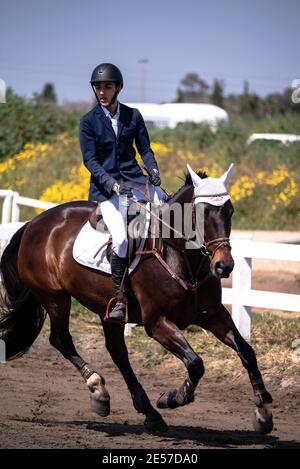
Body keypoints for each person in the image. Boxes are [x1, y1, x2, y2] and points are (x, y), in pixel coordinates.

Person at [80, 63, 166, 322]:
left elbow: (145, 150)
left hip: (137, 182)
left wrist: (152, 169)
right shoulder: (88, 122)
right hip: (106, 191)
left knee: (172, 217)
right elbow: (91, 162)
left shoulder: (133, 116)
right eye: (98, 87)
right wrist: (112, 184)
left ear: (118, 88)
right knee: (121, 239)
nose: (102, 92)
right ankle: (119, 298)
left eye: (107, 86)